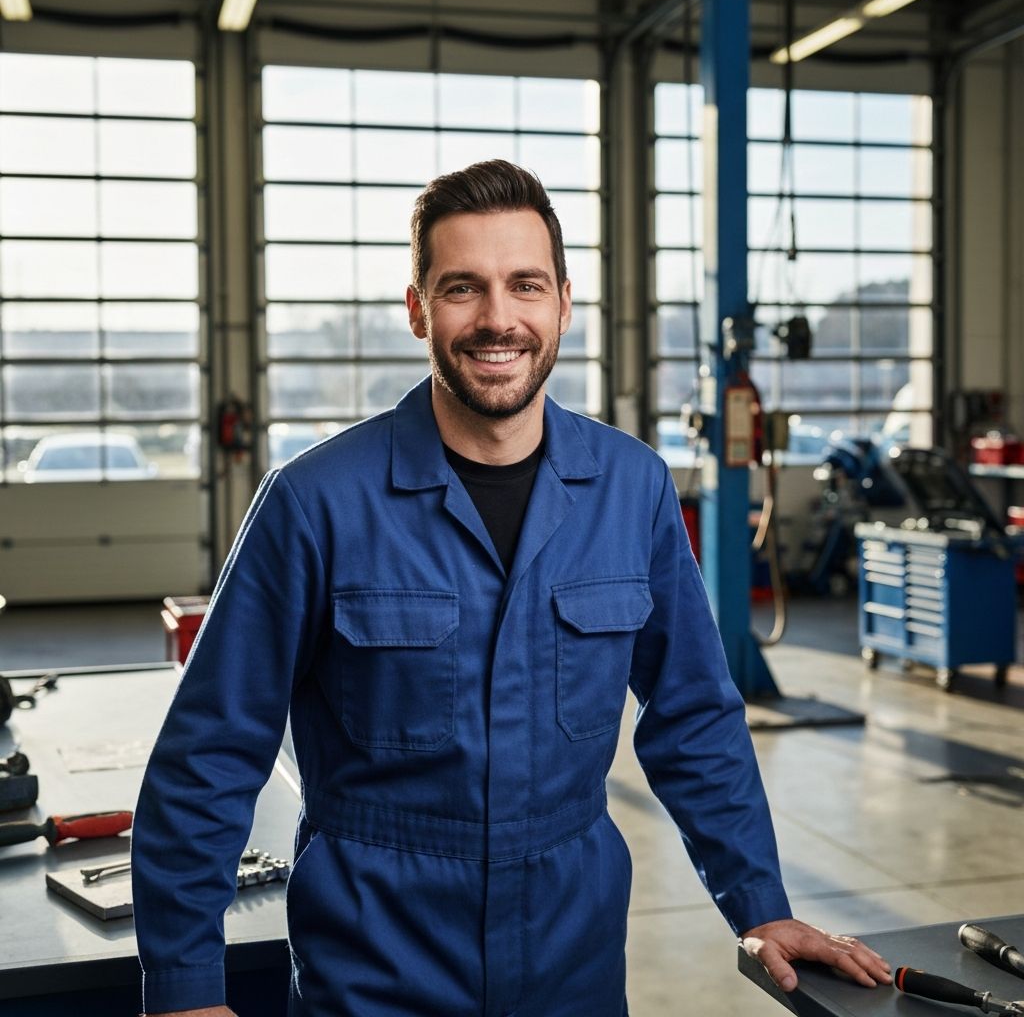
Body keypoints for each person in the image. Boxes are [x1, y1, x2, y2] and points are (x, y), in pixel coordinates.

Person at [132, 159, 891, 1017]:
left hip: (573, 965)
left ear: (563, 304)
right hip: (376, 973)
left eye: (525, 285)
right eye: (463, 288)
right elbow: (211, 751)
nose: (498, 318)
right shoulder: (315, 503)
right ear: (418, 309)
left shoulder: (631, 489)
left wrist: (760, 903)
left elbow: (694, 714)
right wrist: (183, 990)